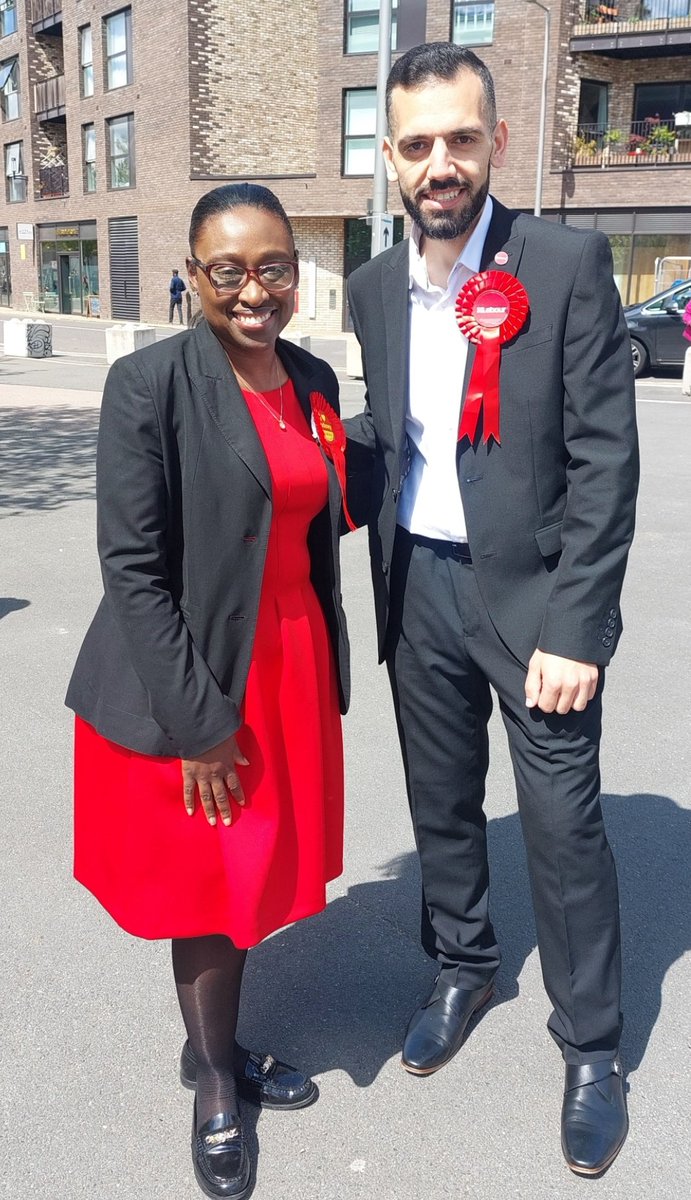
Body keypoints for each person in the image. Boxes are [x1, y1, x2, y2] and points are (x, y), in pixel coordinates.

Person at [345, 43, 639, 1177]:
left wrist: (578, 627)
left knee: (563, 827)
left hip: (534, 600)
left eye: (459, 139)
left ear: (494, 143)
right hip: (417, 582)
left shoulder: (563, 262)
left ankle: (593, 1045)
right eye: (416, 145)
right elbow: (386, 436)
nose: (440, 164)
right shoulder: (375, 285)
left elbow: (604, 460)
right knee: (442, 805)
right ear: (391, 158)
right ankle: (462, 966)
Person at [66, 183, 350, 1200]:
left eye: (273, 266)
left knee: (252, 877)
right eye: (227, 269)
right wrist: (199, 725)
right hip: (192, 678)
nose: (253, 290)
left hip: (288, 658)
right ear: (193, 276)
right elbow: (132, 569)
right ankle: (216, 1082)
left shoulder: (310, 376)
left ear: (295, 272)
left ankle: (214, 1041)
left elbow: (322, 495)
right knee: (209, 884)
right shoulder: (149, 384)